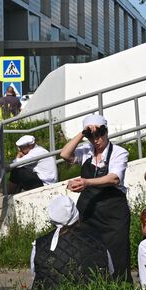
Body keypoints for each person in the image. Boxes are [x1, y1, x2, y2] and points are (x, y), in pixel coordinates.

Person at [60, 114, 131, 281]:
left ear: (106, 132)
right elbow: (65, 154)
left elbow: (114, 178)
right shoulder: (87, 151)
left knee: (118, 253)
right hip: (89, 211)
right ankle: (93, 285)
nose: (96, 140)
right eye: (91, 137)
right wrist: (82, 133)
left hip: (113, 213)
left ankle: (121, 286)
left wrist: (87, 183)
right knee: (88, 251)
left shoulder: (119, 152)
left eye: (99, 134)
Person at [30, 196, 110, 290]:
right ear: (76, 215)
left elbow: (36, 276)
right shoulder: (97, 239)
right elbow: (109, 271)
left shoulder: (39, 245)